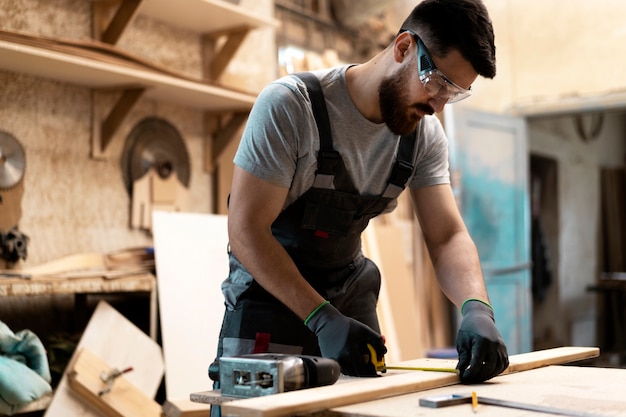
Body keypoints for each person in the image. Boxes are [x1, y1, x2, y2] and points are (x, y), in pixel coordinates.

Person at [212, 0, 509, 385]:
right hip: (269, 303)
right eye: (436, 83)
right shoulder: (292, 108)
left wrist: (476, 307)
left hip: (348, 304)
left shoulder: (423, 138)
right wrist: (321, 318)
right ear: (403, 48)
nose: (437, 106)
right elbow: (247, 231)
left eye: (453, 94)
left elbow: (447, 235)